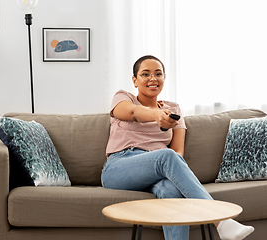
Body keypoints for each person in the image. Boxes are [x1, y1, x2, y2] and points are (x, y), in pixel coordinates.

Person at [101, 55, 254, 240]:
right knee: (166, 156)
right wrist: (156, 115)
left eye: (158, 74)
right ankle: (221, 221)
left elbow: (177, 153)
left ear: (164, 79)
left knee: (170, 191)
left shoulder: (174, 109)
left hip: (157, 170)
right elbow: (132, 112)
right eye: (145, 74)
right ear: (135, 80)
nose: (152, 78)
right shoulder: (123, 98)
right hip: (120, 167)